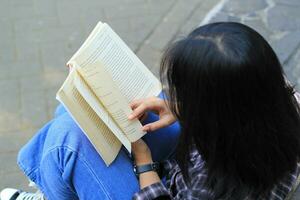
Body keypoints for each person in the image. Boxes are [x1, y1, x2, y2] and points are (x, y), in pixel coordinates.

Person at [1, 22, 300, 200]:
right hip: (198, 159)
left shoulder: (211, 186)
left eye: (187, 95)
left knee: (67, 140)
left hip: (168, 186)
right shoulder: (278, 101)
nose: (176, 97)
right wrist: (177, 109)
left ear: (212, 113)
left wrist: (143, 160)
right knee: (78, 109)